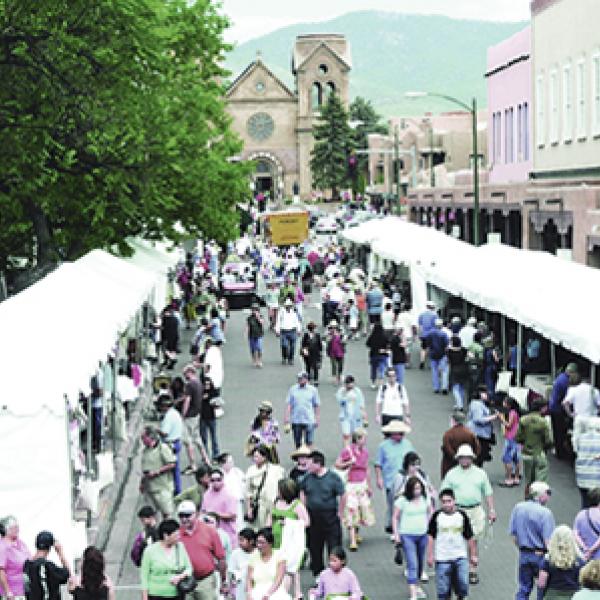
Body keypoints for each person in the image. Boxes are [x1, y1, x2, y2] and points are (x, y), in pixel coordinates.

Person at [441, 444, 496, 585]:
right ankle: (456, 567)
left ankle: (472, 569)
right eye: (462, 458)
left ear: (472, 458)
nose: (464, 460)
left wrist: (491, 510)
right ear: (458, 459)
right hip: (458, 510)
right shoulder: (452, 474)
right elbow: (445, 493)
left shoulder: (480, 473)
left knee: (474, 540)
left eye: (467, 457)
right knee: (456, 539)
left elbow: (488, 492)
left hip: (475, 510)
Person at [299, 450, 346, 578]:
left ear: (318, 464)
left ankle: (336, 574)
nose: (307, 466)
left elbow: (343, 494)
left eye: (309, 463)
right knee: (315, 548)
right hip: (313, 518)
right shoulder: (307, 478)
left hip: (330, 517)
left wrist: (340, 513)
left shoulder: (333, 478)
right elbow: (302, 491)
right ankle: (319, 575)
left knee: (334, 547)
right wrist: (303, 509)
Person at [427, 488, 477, 600]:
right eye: (444, 502)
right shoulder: (437, 516)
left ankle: (461, 596)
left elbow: (470, 537)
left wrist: (473, 555)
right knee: (443, 589)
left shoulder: (461, 516)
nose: (446, 504)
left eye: (449, 501)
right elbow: (430, 536)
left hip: (460, 556)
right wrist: (430, 555)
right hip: (442, 558)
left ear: (454, 501)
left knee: (463, 583)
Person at [508, 481, 555, 600]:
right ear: (540, 495)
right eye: (548, 493)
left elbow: (513, 534)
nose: (549, 496)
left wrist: (522, 548)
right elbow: (548, 541)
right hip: (540, 555)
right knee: (542, 588)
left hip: (524, 554)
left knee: (524, 588)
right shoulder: (546, 513)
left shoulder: (518, 507)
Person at [177, 501, 228, 599]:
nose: (184, 519)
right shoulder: (177, 534)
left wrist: (223, 580)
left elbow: (221, 558)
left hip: (205, 580)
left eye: (187, 515)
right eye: (181, 516)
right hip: (185, 581)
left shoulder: (209, 531)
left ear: (196, 514)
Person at [335, 428, 375, 551]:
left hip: (361, 484)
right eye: (363, 438)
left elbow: (366, 469)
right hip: (351, 484)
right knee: (351, 509)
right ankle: (352, 539)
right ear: (357, 439)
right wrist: (348, 464)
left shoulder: (365, 453)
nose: (365, 441)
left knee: (361, 509)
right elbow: (337, 464)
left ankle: (356, 533)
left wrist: (369, 485)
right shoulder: (348, 451)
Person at [269, 478, 310, 600]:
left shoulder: (297, 505)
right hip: (276, 539)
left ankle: (295, 593)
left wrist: (288, 522)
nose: (277, 492)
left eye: (279, 490)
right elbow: (271, 517)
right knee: (278, 564)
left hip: (290, 540)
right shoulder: (276, 502)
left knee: (291, 566)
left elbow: (307, 522)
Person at [393, 477, 432, 600]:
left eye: (419, 488)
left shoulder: (425, 499)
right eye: (415, 488)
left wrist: (429, 526)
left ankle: (417, 586)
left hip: (422, 534)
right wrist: (397, 535)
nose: (418, 491)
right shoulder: (402, 501)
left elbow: (430, 511)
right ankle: (413, 593)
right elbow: (395, 517)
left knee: (420, 562)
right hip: (407, 535)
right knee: (412, 563)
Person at [374, 420, 415, 536]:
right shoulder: (383, 446)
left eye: (402, 433)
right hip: (390, 481)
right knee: (393, 505)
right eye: (398, 433)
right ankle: (394, 528)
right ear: (392, 433)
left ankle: (404, 527)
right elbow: (378, 463)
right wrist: (379, 478)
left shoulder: (408, 444)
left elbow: (413, 460)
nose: (401, 436)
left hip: (406, 479)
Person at [140, 519, 191, 600]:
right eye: (176, 535)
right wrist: (144, 597)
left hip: (177, 594)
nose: (179, 537)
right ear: (166, 535)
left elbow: (189, 568)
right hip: (156, 594)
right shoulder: (150, 551)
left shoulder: (180, 547)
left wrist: (180, 577)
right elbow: (144, 577)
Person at [516, 398, 553, 497]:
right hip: (539, 453)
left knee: (528, 481)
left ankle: (528, 500)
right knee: (541, 482)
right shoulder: (543, 422)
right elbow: (549, 440)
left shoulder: (523, 420)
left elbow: (518, 437)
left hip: (527, 454)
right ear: (543, 408)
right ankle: (538, 500)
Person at [537, 525, 584, 599]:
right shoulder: (579, 560)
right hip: (573, 596)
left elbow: (541, 583)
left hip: (552, 596)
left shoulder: (548, 559)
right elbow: (582, 582)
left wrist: (539, 597)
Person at [245, 446, 285, 530]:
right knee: (259, 529)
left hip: (272, 504)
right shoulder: (251, 471)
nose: (254, 458)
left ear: (264, 457)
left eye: (257, 456)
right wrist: (249, 508)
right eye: (254, 456)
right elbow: (248, 492)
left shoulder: (275, 470)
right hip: (259, 504)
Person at [140, 426, 176, 518]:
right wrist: (142, 482)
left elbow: (172, 464)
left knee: (166, 514)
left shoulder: (162, 448)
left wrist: (157, 472)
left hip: (162, 488)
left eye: (143, 437)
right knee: (151, 515)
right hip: (149, 488)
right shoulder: (145, 451)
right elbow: (144, 469)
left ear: (150, 437)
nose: (142, 440)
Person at [22, 531, 70, 600]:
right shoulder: (49, 567)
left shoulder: (27, 565)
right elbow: (67, 574)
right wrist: (60, 552)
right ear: (50, 547)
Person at [245, 528, 290, 600]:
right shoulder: (253, 556)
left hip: (275, 591)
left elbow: (279, 579)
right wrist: (249, 594)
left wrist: (268, 594)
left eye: (262, 542)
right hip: (256, 591)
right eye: (257, 542)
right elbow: (249, 579)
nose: (259, 545)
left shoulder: (280, 556)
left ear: (270, 543)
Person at [180, 364, 209, 475]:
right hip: (197, 414)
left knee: (188, 441)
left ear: (189, 372)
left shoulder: (190, 385)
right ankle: (206, 459)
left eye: (185, 373)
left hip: (190, 415)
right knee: (197, 438)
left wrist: (183, 413)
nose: (184, 376)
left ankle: (193, 464)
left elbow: (187, 400)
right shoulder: (199, 384)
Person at [201, 467, 239, 550]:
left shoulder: (229, 494)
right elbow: (203, 511)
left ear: (223, 480)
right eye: (213, 480)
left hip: (227, 534)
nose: (215, 482)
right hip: (211, 534)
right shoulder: (207, 494)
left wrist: (215, 514)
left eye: (218, 480)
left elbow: (233, 515)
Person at [548, 363, 579, 460]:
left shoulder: (561, 377)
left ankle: (559, 451)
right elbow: (567, 399)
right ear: (572, 372)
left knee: (557, 431)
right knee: (560, 431)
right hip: (558, 409)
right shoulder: (565, 381)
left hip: (553, 406)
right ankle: (561, 453)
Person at [563, 373, 600, 451]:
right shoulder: (594, 390)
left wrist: (570, 414)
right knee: (591, 440)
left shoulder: (574, 389)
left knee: (577, 439)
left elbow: (565, 403)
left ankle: (578, 454)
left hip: (579, 418)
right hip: (592, 419)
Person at [284, 372, 320, 449]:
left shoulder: (313, 390)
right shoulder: (293, 389)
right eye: (299, 378)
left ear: (306, 379)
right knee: (297, 441)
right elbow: (289, 404)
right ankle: (299, 458)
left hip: (309, 419)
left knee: (309, 441)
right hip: (296, 419)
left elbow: (316, 405)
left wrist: (317, 418)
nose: (299, 380)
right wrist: (286, 417)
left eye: (301, 378)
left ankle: (309, 457)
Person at [440, 410, 481, 478]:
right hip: (467, 465)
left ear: (453, 420)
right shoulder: (470, 433)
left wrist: (456, 457)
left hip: (450, 465)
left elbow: (447, 448)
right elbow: (477, 448)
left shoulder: (448, 434)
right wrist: (471, 458)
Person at [157, 394, 184, 495]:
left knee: (168, 468)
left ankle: (173, 489)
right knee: (175, 468)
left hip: (170, 444)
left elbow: (165, 433)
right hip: (176, 442)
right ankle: (177, 489)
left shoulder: (168, 416)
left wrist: (156, 430)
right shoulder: (175, 413)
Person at [0, 516, 31, 599]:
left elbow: (30, 561)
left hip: (25, 590)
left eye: (18, 527)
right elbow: (1, 570)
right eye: (15, 527)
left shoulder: (21, 543)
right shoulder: (2, 546)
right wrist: (8, 592)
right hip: (13, 594)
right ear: (6, 529)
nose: (18, 530)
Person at [467, 385, 498, 466]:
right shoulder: (477, 404)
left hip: (481, 434)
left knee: (479, 457)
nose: (487, 395)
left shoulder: (480, 403)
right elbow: (478, 419)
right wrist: (493, 417)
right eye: (485, 393)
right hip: (479, 434)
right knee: (478, 457)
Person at [335, 375, 367, 446]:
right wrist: (346, 395)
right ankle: (347, 451)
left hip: (356, 417)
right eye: (348, 385)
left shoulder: (357, 391)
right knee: (346, 435)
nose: (350, 387)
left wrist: (364, 416)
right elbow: (340, 401)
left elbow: (361, 404)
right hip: (345, 417)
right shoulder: (341, 391)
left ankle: (355, 451)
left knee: (356, 435)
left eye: (351, 385)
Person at [575, 419, 600, 508]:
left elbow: (577, 450)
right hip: (596, 478)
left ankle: (585, 519)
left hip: (582, 476)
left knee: (585, 503)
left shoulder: (581, 438)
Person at [228, 528, 257, 600]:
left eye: (242, 540)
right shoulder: (235, 553)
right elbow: (231, 571)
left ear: (251, 541)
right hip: (241, 589)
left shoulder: (258, 553)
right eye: (239, 540)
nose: (239, 543)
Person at [573, 488, 600, 562]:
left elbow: (575, 533)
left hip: (583, 556)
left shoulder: (581, 514)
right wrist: (591, 550)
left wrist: (585, 548)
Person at [199, 372, 220, 460]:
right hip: (202, 418)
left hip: (211, 417)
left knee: (214, 437)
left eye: (208, 384)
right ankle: (205, 455)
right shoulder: (200, 393)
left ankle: (215, 454)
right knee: (204, 438)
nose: (207, 385)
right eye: (205, 384)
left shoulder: (213, 393)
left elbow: (218, 403)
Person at [276, 299, 302, 365]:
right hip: (284, 331)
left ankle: (291, 359)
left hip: (292, 331)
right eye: (287, 306)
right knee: (284, 345)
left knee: (292, 346)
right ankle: (284, 357)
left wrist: (299, 330)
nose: (288, 307)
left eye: (289, 306)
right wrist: (277, 330)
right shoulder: (281, 312)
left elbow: (297, 321)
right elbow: (278, 321)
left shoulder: (294, 312)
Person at [447, 336, 469, 410]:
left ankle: (459, 405)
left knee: (455, 388)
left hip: (454, 370)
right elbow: (468, 357)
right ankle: (460, 403)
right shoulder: (464, 350)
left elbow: (448, 360)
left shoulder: (449, 351)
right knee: (462, 388)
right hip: (464, 369)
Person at [365, 322, 389, 390]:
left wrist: (373, 347)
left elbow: (367, 344)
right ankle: (381, 382)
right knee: (382, 368)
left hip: (373, 355)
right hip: (382, 355)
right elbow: (388, 344)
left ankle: (373, 383)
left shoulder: (372, 336)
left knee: (373, 369)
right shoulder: (384, 336)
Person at [300, 321, 323, 386]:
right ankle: (308, 379)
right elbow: (303, 344)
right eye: (312, 328)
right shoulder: (306, 335)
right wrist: (304, 351)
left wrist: (320, 353)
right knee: (308, 366)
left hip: (315, 353)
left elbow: (320, 345)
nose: (313, 330)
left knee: (315, 367)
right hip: (308, 353)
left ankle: (316, 380)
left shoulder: (317, 335)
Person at [417, 300, 437, 370]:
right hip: (431, 334)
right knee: (431, 349)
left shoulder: (422, 314)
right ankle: (431, 364)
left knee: (423, 348)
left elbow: (420, 326)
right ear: (432, 307)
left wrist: (419, 334)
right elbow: (436, 325)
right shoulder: (434, 315)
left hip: (424, 334)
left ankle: (422, 361)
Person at [326, 321, 346, 385]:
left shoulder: (341, 332)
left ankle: (339, 376)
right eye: (332, 327)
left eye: (335, 327)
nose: (333, 328)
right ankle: (334, 378)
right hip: (332, 352)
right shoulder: (328, 332)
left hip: (340, 351)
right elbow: (326, 340)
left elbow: (344, 340)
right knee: (334, 365)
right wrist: (330, 336)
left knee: (340, 365)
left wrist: (341, 338)